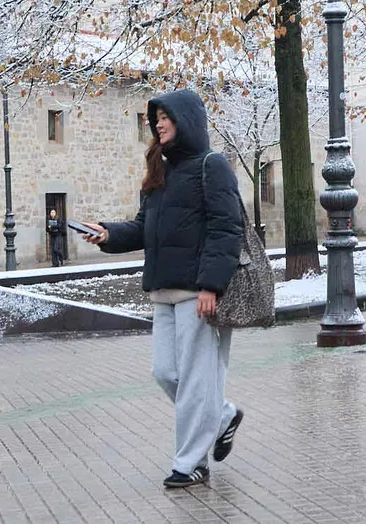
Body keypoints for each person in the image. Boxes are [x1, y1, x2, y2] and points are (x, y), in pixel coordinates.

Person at [81, 89, 245, 489]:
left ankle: (189, 463)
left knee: (193, 380)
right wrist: (109, 234)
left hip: (198, 294)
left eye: (165, 116)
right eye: (155, 118)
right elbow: (143, 227)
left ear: (185, 120)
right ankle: (221, 416)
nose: (158, 123)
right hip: (163, 291)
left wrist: (211, 286)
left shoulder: (213, 166)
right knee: (166, 373)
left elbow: (227, 229)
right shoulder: (159, 171)